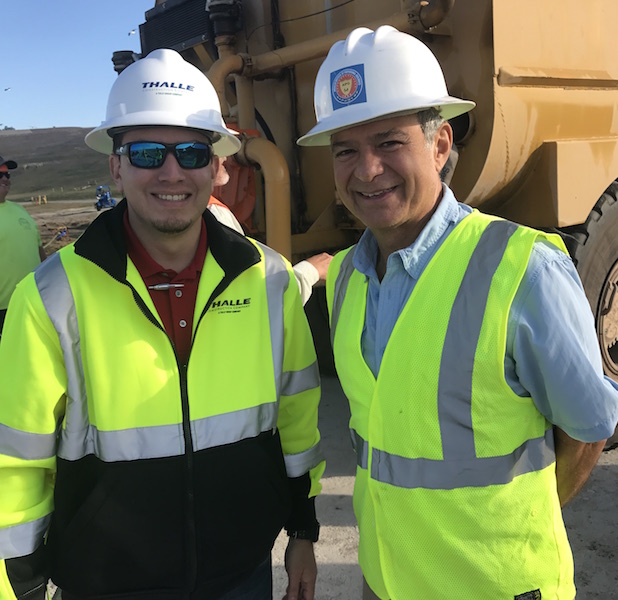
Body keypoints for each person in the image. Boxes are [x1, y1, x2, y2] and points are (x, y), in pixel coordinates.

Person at [297, 26, 618, 599]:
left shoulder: (523, 269)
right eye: (346, 149)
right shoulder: (345, 279)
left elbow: (588, 429)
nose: (366, 170)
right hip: (386, 580)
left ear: (440, 145)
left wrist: (513, 518)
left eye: (390, 142)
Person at [0, 48, 324, 600]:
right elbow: (15, 462)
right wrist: (21, 584)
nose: (171, 173)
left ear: (217, 167)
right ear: (116, 166)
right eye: (148, 153)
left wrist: (302, 530)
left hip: (241, 577)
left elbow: (296, 420)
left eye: (192, 152)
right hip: (106, 584)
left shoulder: (268, 282)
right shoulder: (52, 298)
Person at [208, 157, 332, 305]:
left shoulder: (196, 213)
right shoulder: (213, 215)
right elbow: (254, 304)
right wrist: (312, 270)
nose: (225, 157)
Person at [0, 155, 46, 334]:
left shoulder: (19, 210)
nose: (5, 179)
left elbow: (39, 249)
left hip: (34, 300)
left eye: (7, 175)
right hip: (4, 308)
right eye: (0, 175)